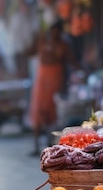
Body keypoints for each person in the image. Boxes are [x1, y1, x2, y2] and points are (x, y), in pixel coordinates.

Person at [27, 20, 77, 155]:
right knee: (39, 111)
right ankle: (37, 146)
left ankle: (51, 145)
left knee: (53, 114)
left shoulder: (63, 45)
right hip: (42, 80)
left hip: (56, 80)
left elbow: (72, 61)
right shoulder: (42, 41)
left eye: (57, 32)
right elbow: (29, 52)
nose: (54, 34)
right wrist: (33, 38)